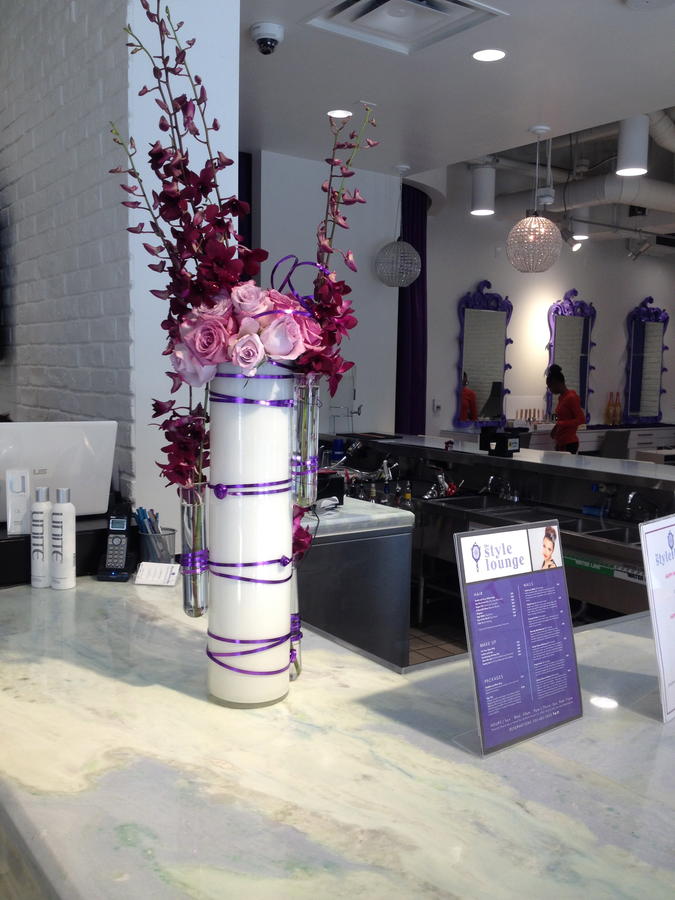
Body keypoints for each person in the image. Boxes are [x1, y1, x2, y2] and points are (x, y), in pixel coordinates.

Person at [546, 364, 585, 453]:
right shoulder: (561, 398)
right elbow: (562, 419)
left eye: (550, 386)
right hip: (561, 442)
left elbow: (581, 419)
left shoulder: (571, 397)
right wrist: (556, 429)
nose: (550, 390)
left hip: (570, 443)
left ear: (557, 383)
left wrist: (561, 424)